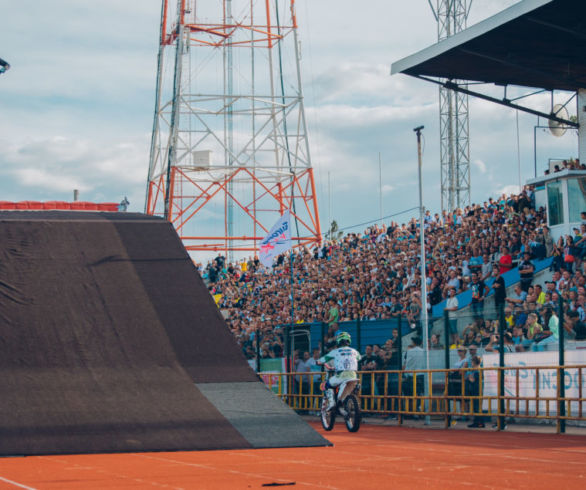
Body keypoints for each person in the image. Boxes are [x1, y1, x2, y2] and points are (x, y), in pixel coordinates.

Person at [318, 331, 361, 411]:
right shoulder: (355, 351)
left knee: (327, 384)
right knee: (345, 395)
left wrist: (317, 362)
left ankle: (331, 404)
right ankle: (342, 407)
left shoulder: (335, 351)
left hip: (341, 376)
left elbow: (321, 360)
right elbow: (359, 358)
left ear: (338, 341)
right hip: (353, 377)